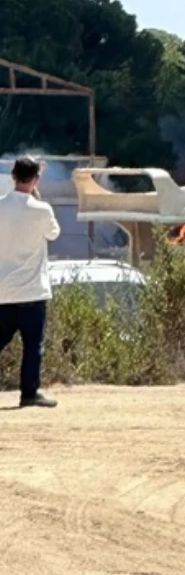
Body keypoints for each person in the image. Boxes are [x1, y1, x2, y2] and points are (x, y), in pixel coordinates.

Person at [0, 156, 61, 407]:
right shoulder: (41, 209)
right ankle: (29, 393)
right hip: (33, 291)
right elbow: (53, 233)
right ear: (35, 179)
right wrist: (38, 199)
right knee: (33, 347)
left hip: (3, 291)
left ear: (13, 177)